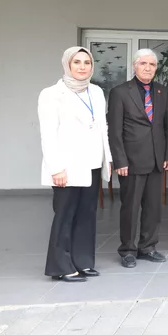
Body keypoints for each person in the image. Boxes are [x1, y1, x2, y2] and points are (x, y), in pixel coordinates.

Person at [38, 47, 112, 282]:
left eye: (87, 62)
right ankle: (60, 266)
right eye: (77, 62)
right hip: (67, 167)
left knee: (87, 214)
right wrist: (56, 168)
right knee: (65, 215)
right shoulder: (51, 94)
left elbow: (102, 128)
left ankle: (82, 261)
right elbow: (48, 135)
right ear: (67, 65)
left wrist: (107, 159)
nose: (82, 67)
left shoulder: (96, 92)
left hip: (92, 164)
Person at [108, 48, 168, 268]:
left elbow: (167, 126)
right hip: (131, 161)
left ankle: (148, 247)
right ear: (134, 66)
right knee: (131, 208)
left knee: (153, 208)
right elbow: (114, 131)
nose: (148, 68)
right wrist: (120, 160)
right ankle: (127, 249)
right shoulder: (120, 92)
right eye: (143, 64)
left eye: (152, 64)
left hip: (157, 160)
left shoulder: (163, 91)